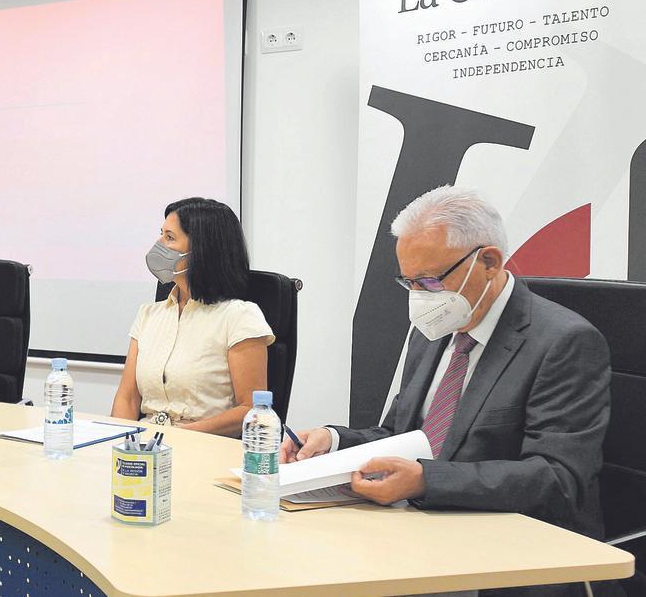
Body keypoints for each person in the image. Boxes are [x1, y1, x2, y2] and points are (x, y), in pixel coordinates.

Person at [282, 185, 610, 546]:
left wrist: (427, 480)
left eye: (430, 281)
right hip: (422, 528)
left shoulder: (564, 341)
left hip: (516, 547)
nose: (420, 297)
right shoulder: (435, 327)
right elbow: (403, 435)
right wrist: (334, 440)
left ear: (489, 262)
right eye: (408, 282)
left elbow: (558, 478)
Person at [110, 197, 273, 436]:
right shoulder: (149, 314)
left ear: (202, 250)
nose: (158, 243)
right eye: (161, 234)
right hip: (144, 448)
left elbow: (250, 410)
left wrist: (176, 438)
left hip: (204, 447)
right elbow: (127, 398)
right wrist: (124, 443)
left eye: (170, 237)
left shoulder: (239, 317)